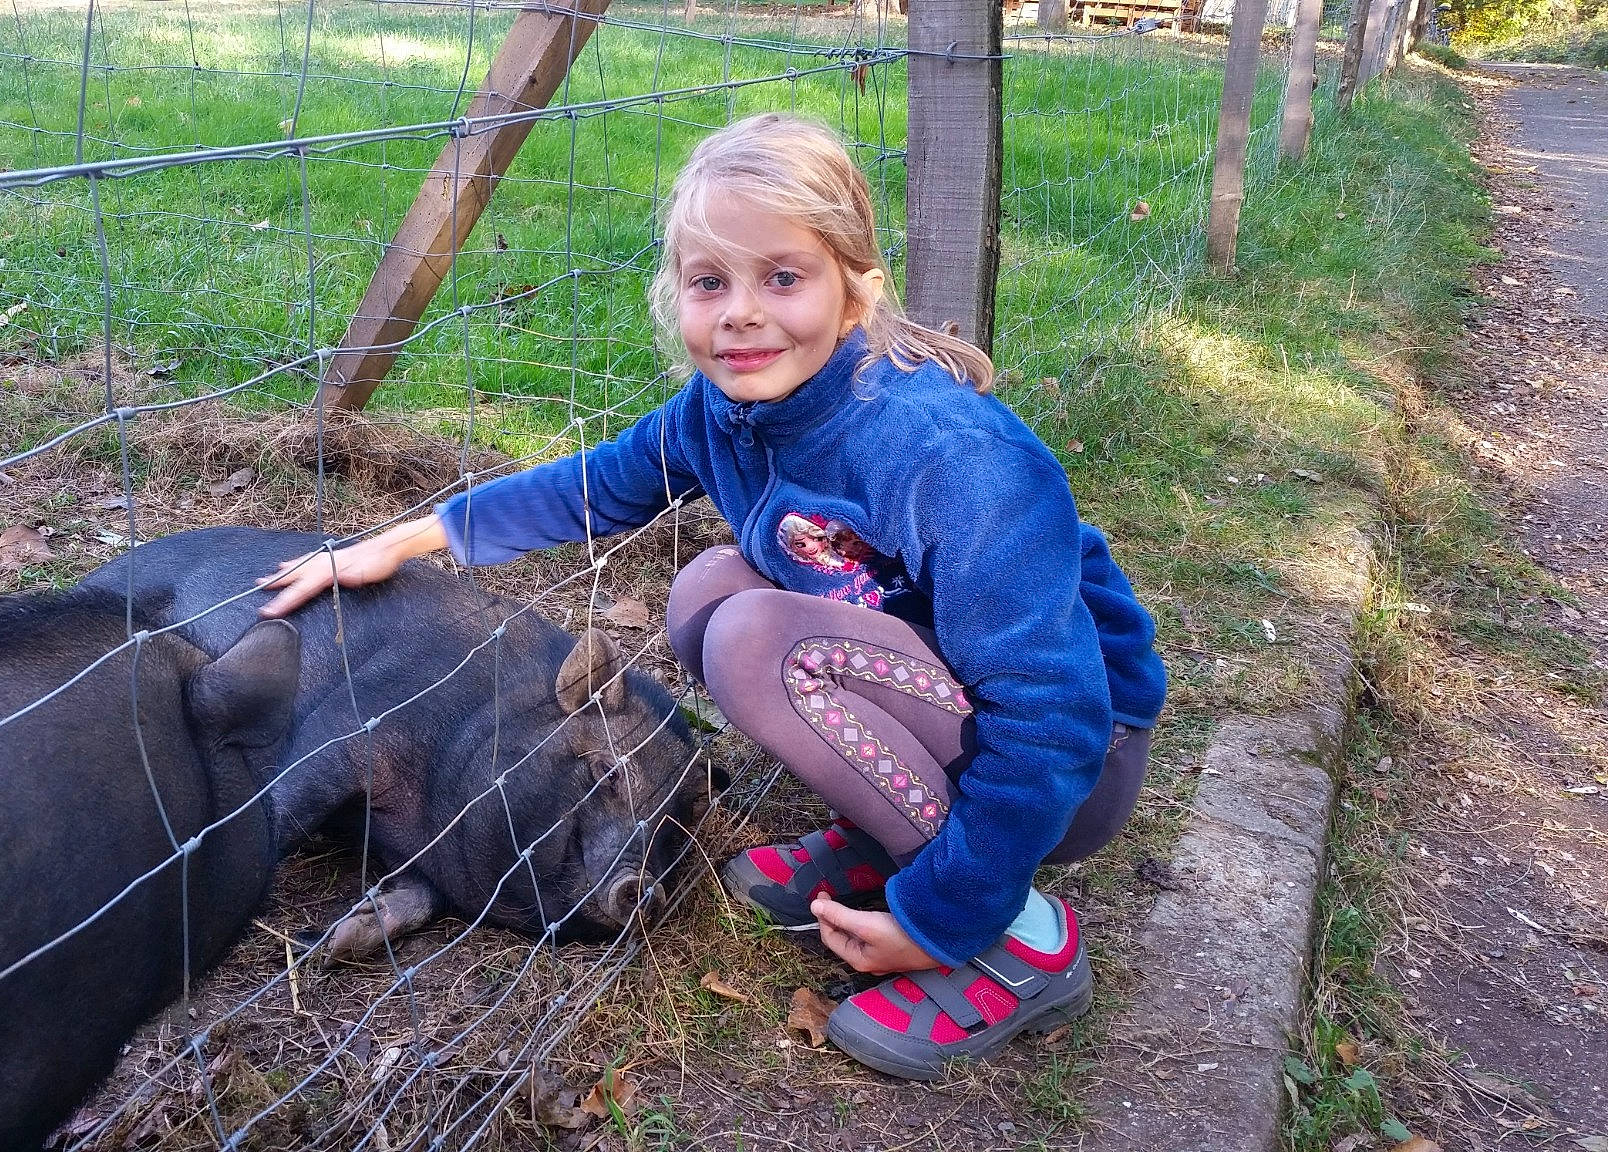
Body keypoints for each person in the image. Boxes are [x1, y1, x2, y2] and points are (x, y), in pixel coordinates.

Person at [259, 112, 1166, 1080]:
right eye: (709, 282)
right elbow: (594, 486)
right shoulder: (728, 411)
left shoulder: (947, 457)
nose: (739, 313)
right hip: (955, 699)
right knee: (707, 591)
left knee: (754, 639)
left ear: (856, 286)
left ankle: (1016, 936)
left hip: (1074, 760)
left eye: (782, 277)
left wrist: (941, 915)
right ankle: (892, 837)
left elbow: (1053, 717)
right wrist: (406, 539)